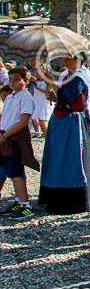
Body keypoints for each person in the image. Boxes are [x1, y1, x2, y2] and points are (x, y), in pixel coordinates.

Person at [37, 54, 90, 214]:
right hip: (64, 120)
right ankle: (55, 192)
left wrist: (51, 81)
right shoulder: (72, 76)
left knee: (70, 157)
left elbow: (68, 99)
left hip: (72, 122)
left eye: (68, 58)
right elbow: (63, 98)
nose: (64, 61)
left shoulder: (80, 76)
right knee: (59, 156)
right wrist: (53, 94)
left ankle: (70, 200)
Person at [0, 67, 39, 220]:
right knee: (10, 169)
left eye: (16, 80)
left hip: (16, 137)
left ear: (25, 81)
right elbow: (6, 117)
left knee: (16, 171)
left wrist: (6, 135)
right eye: (11, 80)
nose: (13, 83)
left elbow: (23, 121)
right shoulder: (10, 97)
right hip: (6, 135)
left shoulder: (26, 97)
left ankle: (25, 204)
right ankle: (17, 200)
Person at [29, 59, 54, 139]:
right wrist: (30, 80)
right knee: (40, 121)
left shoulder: (47, 80)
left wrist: (38, 89)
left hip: (44, 102)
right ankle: (44, 136)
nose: (35, 71)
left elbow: (50, 91)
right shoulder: (37, 80)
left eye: (37, 70)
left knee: (43, 122)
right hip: (37, 102)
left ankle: (47, 138)